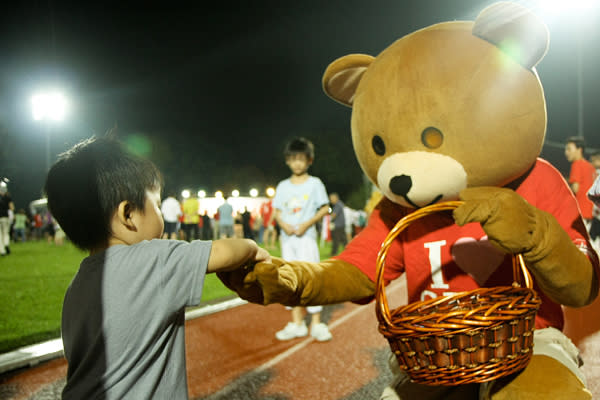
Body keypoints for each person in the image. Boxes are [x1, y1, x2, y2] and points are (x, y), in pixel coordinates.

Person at [44, 136, 269, 399]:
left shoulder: (77, 286)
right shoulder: (153, 261)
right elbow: (226, 251)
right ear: (128, 214)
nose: (161, 214)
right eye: (158, 206)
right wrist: (253, 248)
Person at [272, 137, 332, 342]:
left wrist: (307, 223)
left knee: (311, 277)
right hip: (288, 240)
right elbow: (277, 212)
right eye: (293, 158)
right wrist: (283, 225)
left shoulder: (315, 184)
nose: (297, 163)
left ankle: (316, 323)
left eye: (301, 158)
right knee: (291, 280)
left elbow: (325, 208)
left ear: (309, 160)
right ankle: (297, 322)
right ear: (287, 160)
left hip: (306, 238)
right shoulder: (282, 186)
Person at [565, 136, 596, 227]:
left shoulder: (577, 164)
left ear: (579, 150)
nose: (566, 152)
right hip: (589, 213)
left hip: (578, 213)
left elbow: (575, 189)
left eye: (569, 149)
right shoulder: (591, 167)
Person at [328, 192, 347, 256]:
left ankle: (334, 252)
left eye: (331, 199)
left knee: (336, 239)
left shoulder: (338, 205)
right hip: (340, 225)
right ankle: (348, 251)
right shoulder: (339, 204)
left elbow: (334, 215)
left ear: (336, 198)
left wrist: (328, 218)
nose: (330, 200)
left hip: (338, 225)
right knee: (344, 240)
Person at [0, 181, 14, 255]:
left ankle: (2, 250)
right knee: (6, 233)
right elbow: (12, 208)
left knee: (0, 234)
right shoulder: (8, 197)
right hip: (5, 217)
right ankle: (6, 244)